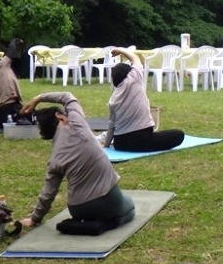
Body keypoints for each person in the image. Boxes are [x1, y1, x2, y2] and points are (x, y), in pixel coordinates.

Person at [17, 91, 135, 232]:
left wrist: (34, 219)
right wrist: (39, 97)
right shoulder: (76, 123)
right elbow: (67, 97)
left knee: (100, 209)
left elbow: (48, 193)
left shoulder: (55, 158)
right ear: (59, 116)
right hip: (107, 196)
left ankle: (82, 223)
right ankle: (103, 225)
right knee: (130, 207)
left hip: (79, 208)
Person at [104, 48, 184, 153]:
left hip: (120, 143)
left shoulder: (112, 99)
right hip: (142, 140)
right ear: (128, 73)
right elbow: (135, 58)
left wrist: (106, 147)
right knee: (179, 135)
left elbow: (111, 126)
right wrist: (120, 50)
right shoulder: (134, 78)